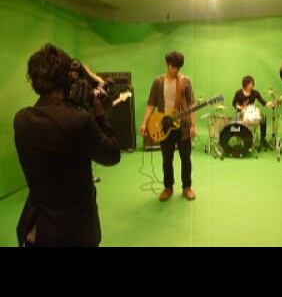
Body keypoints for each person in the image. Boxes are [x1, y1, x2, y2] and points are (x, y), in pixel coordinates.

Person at [14, 44, 121, 247]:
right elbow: (112, 154)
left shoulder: (21, 119)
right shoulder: (79, 122)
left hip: (36, 229)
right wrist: (100, 115)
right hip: (75, 232)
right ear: (68, 79)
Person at [140, 51, 197, 202]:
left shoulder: (186, 82)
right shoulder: (158, 82)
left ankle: (187, 187)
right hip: (164, 126)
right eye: (173, 67)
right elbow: (151, 104)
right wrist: (144, 123)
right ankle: (168, 187)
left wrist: (193, 125)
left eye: (178, 68)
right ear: (167, 65)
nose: (176, 70)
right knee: (167, 159)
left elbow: (191, 104)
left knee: (186, 159)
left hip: (183, 126)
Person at [232, 76, 274, 146]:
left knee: (263, 117)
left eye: (252, 84)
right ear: (245, 84)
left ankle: (262, 139)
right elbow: (234, 104)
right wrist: (240, 107)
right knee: (237, 120)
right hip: (241, 113)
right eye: (249, 84)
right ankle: (239, 140)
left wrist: (272, 104)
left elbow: (263, 103)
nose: (251, 86)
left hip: (252, 113)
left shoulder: (255, 93)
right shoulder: (238, 93)